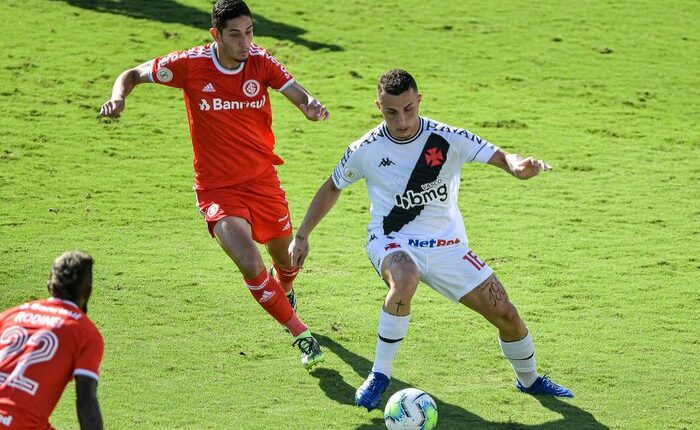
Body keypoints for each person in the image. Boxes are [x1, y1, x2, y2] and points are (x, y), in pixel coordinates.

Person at [289, 69, 573, 411]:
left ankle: (529, 380)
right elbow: (333, 185)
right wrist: (302, 234)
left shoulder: (446, 138)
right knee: (405, 277)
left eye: (409, 109)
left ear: (419, 100)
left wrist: (518, 167)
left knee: (507, 314)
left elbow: (500, 155)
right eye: (392, 112)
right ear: (379, 106)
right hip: (392, 240)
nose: (403, 120)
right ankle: (380, 374)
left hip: (448, 247)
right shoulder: (365, 148)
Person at [99, 0, 327, 368]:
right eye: (235, 35)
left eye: (249, 32)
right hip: (217, 190)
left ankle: (284, 288)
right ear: (216, 35)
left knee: (286, 262)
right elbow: (132, 74)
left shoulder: (260, 60)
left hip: (263, 182)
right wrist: (117, 98)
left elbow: (297, 92)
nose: (245, 42)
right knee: (250, 263)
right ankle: (301, 335)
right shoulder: (190, 65)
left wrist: (310, 106)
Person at [0, 251, 104, 429]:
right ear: (87, 292)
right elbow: (86, 402)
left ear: (50, 286)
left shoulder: (9, 315)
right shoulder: (85, 333)